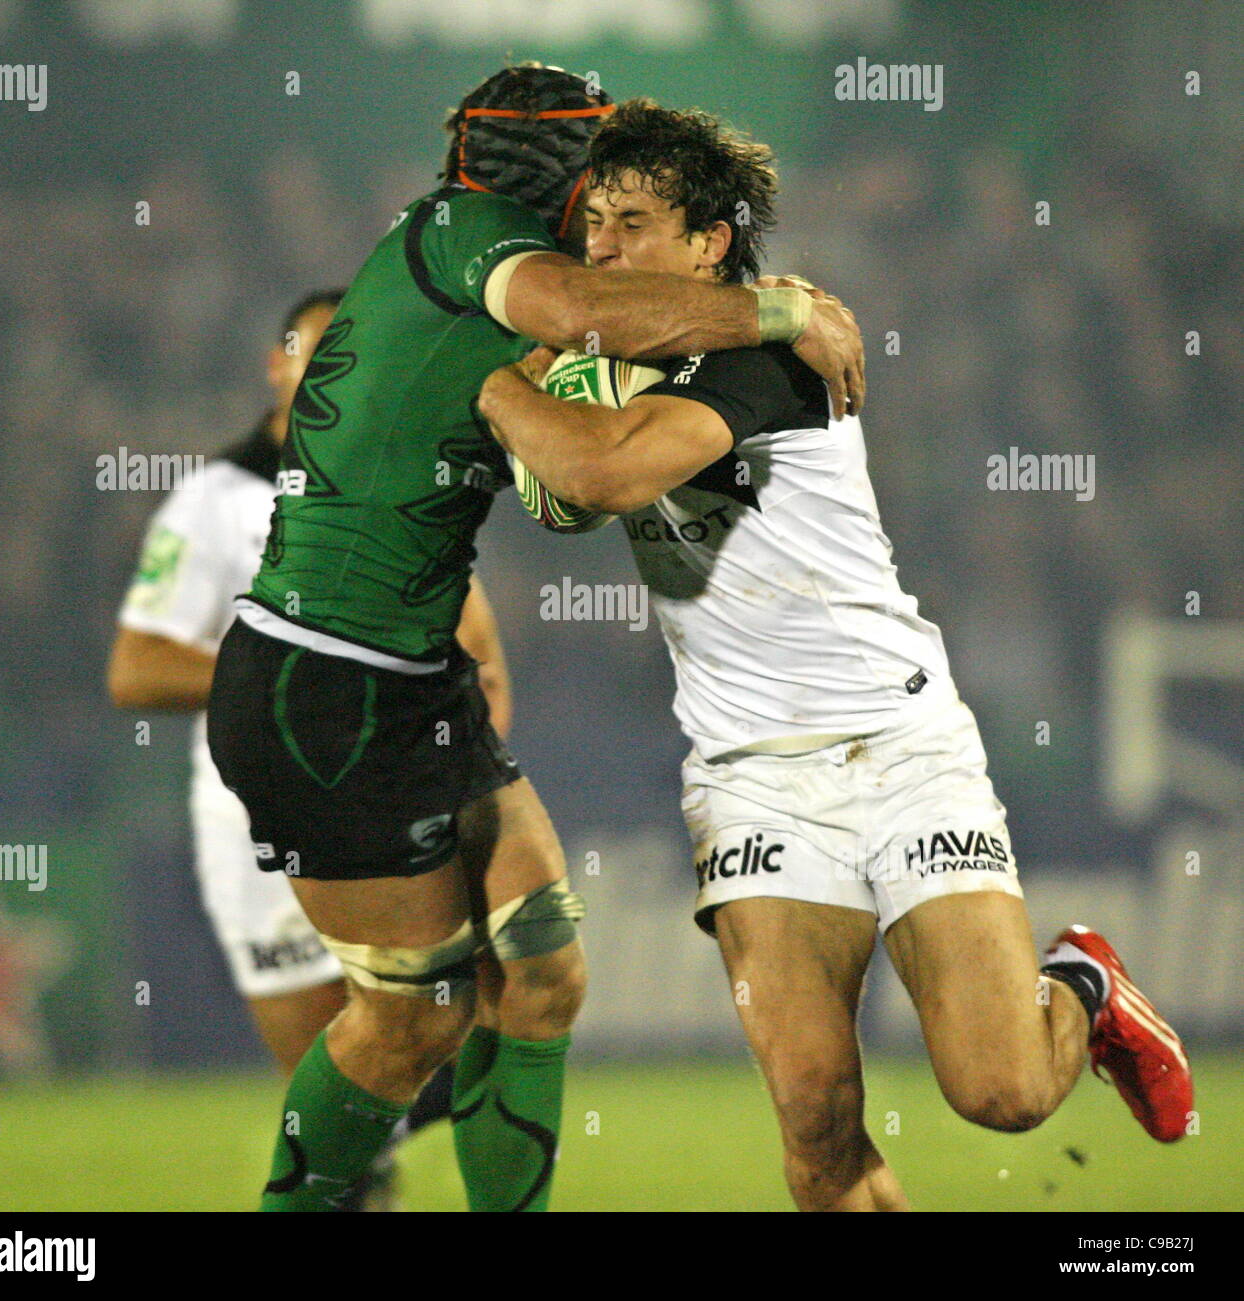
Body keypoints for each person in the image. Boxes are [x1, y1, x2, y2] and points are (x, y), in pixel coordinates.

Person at [479, 99, 1193, 1212]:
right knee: (816, 1121)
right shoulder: (617, 350)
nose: (601, 248)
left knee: (1001, 1091)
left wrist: (498, 387)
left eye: (631, 222)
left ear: (711, 241)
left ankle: (1084, 984)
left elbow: (599, 476)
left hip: (901, 744)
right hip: (751, 775)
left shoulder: (778, 356)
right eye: (594, 226)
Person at [205, 63, 865, 1212]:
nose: (594, 219)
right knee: (417, 1014)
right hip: (324, 683)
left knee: (544, 970)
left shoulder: (487, 253)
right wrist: (782, 307)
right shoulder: (473, 234)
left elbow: (565, 453)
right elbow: (578, 318)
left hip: (411, 675)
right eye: (592, 191)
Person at [109, 290, 509, 1206]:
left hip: (390, 806)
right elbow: (136, 668)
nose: (334, 368)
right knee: (337, 1093)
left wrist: (469, 763)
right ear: (277, 364)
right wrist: (294, 685)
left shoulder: (398, 479)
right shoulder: (215, 500)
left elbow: (478, 648)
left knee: (476, 1019)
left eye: (353, 352)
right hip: (256, 817)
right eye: (315, 350)